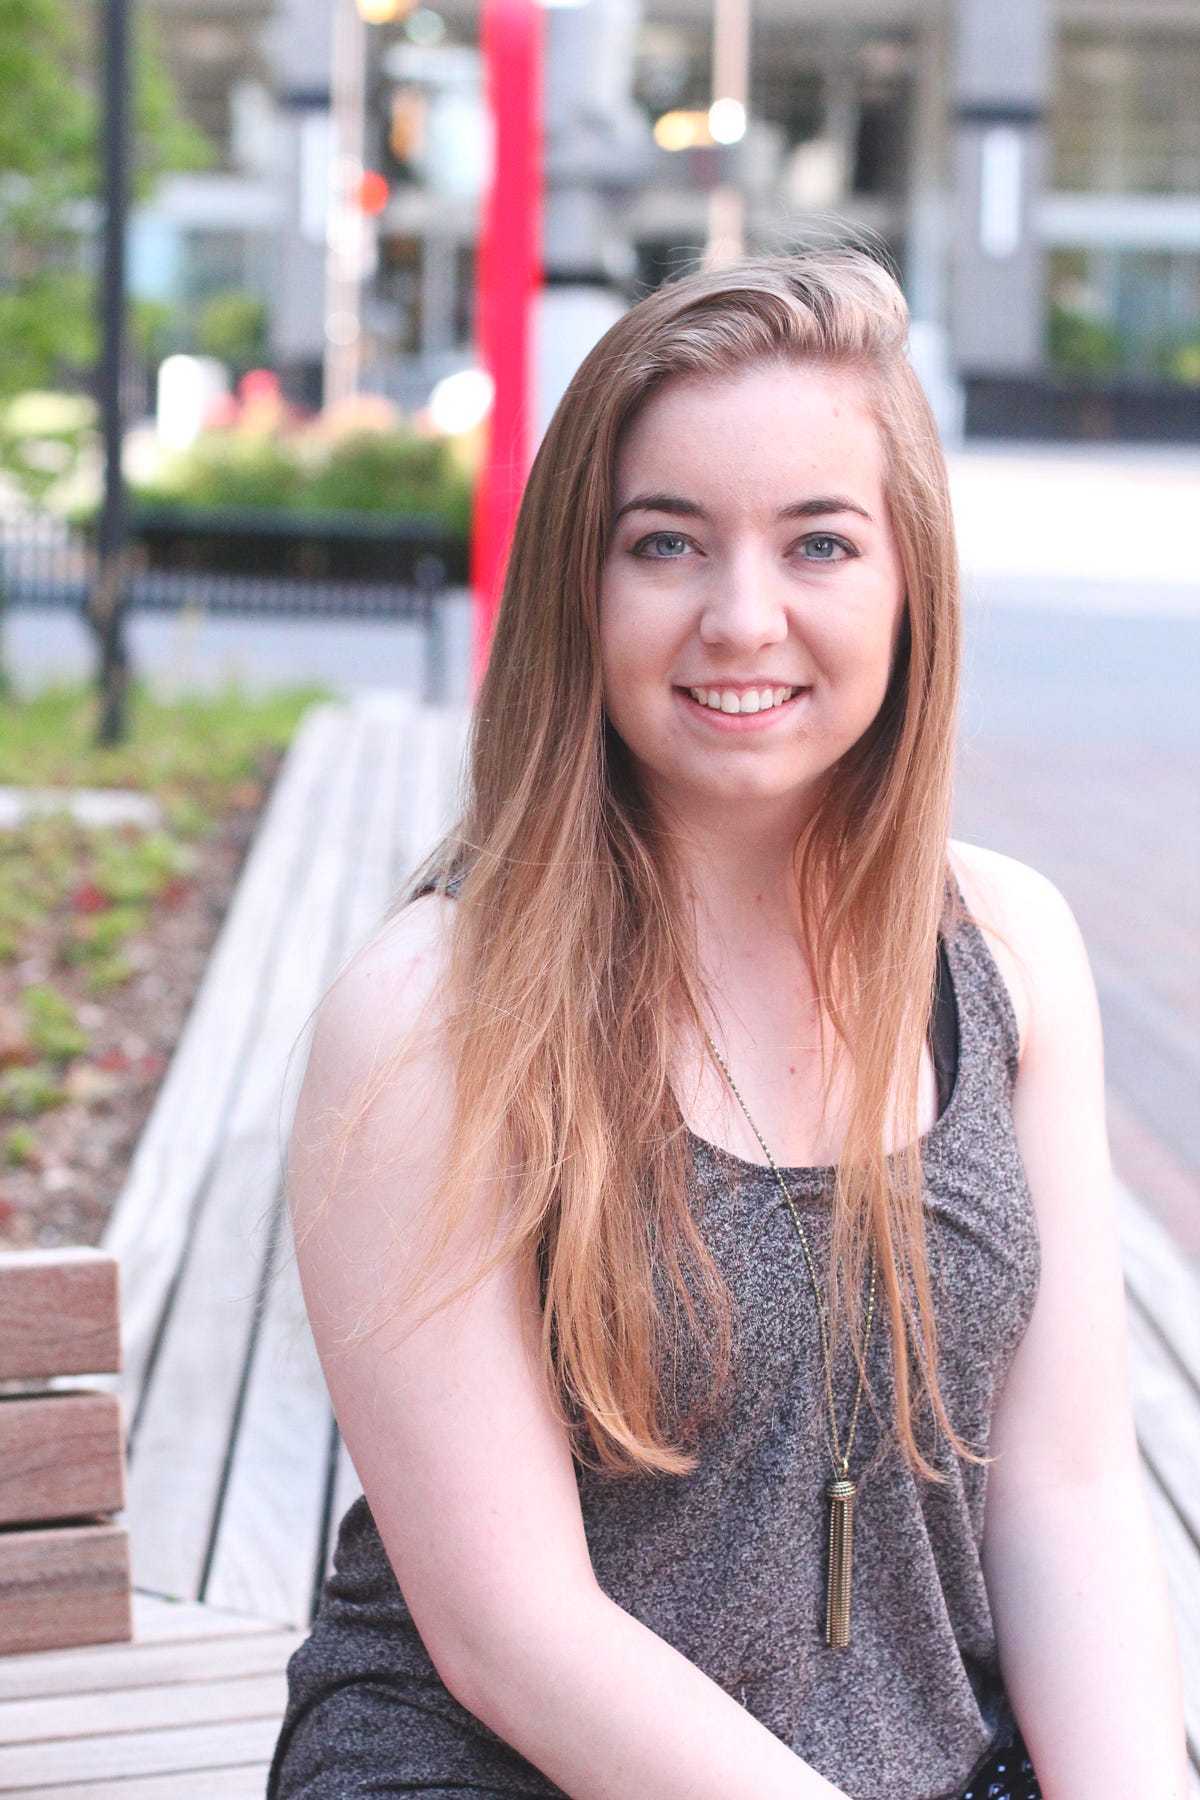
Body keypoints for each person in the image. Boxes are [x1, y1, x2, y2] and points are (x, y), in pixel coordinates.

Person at [268, 251, 1188, 1800]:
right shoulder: (434, 1013)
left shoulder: (1008, 952)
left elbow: (1071, 1493)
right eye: (667, 544)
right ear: (582, 586)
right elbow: (513, 1635)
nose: (742, 617)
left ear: (910, 584)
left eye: (819, 542)